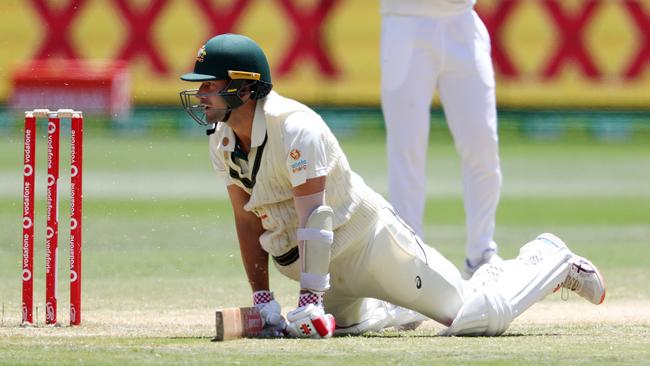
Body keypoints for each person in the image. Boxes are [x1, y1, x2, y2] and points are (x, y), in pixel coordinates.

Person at [179, 34, 606, 339]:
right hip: (316, 267)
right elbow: (246, 219)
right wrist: (264, 299)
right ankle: (398, 304)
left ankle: (548, 258)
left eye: (210, 85)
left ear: (246, 86)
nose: (201, 95)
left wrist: (308, 301)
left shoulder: (296, 128)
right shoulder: (222, 142)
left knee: (475, 317)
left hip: (370, 245)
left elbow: (316, 216)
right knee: (349, 329)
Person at [380, 0, 503, 278]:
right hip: (405, 23)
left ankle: (481, 256)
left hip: (462, 21)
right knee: (407, 151)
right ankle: (410, 266)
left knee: (482, 144)